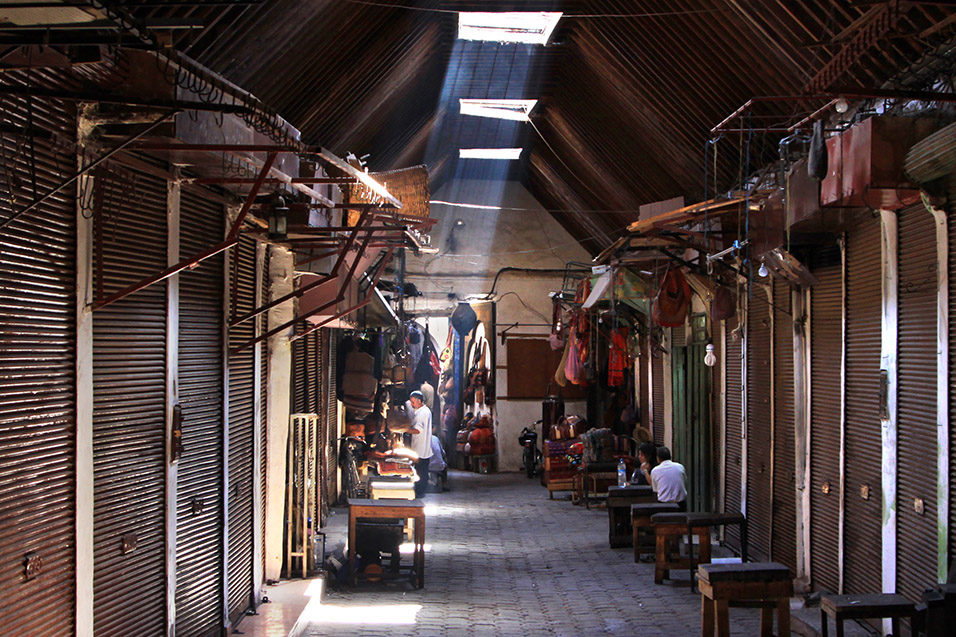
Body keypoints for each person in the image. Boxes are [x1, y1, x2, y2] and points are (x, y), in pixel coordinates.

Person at [407, 390, 433, 498]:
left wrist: (404, 430)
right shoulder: (425, 411)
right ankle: (421, 491)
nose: (412, 404)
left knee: (420, 472)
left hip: (420, 448)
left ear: (419, 401)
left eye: (413, 402)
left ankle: (419, 492)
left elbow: (417, 430)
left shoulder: (421, 414)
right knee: (422, 471)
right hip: (423, 447)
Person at [650, 446, 686, 511]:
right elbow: (684, 482)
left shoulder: (655, 470)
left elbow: (655, 490)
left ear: (658, 458)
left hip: (664, 505)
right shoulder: (680, 467)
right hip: (681, 504)